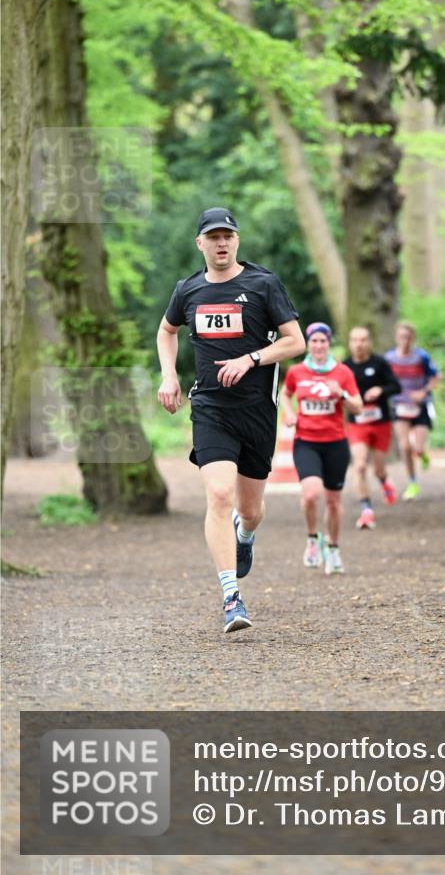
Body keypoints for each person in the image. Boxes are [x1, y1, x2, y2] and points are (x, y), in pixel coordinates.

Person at [156, 207, 304, 634]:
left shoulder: (263, 284)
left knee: (250, 510)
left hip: (257, 411)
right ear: (200, 243)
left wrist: (251, 358)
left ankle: (245, 535)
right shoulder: (188, 290)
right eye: (213, 237)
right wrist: (169, 374)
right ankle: (231, 597)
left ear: (237, 241)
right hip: (211, 409)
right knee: (218, 495)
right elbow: (166, 331)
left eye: (228, 236)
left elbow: (294, 341)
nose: (221, 243)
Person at [281, 322, 362, 574]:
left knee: (334, 502)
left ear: (329, 343)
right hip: (306, 442)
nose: (318, 346)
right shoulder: (296, 371)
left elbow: (358, 407)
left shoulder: (343, 372)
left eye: (322, 341)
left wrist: (342, 395)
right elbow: (285, 394)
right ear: (308, 344)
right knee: (310, 495)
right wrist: (289, 413)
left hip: (336, 443)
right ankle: (312, 539)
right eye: (314, 341)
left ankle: (334, 548)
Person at [343, 326, 402, 529]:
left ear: (369, 343)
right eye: (355, 340)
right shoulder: (345, 367)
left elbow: (396, 386)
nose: (359, 344)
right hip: (357, 423)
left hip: (380, 422)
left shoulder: (380, 363)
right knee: (359, 465)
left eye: (363, 340)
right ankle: (366, 510)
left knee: (378, 468)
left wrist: (380, 390)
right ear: (350, 343)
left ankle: (384, 481)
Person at [385, 321, 440, 501]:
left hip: (420, 405)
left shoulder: (421, 357)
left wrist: (423, 392)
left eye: (408, 337)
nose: (405, 341)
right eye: (402, 337)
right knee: (405, 446)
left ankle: (422, 454)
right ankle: (412, 483)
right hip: (399, 405)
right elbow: (384, 380)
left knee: (417, 447)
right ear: (396, 338)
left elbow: (436, 377)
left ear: (412, 338)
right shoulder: (389, 358)